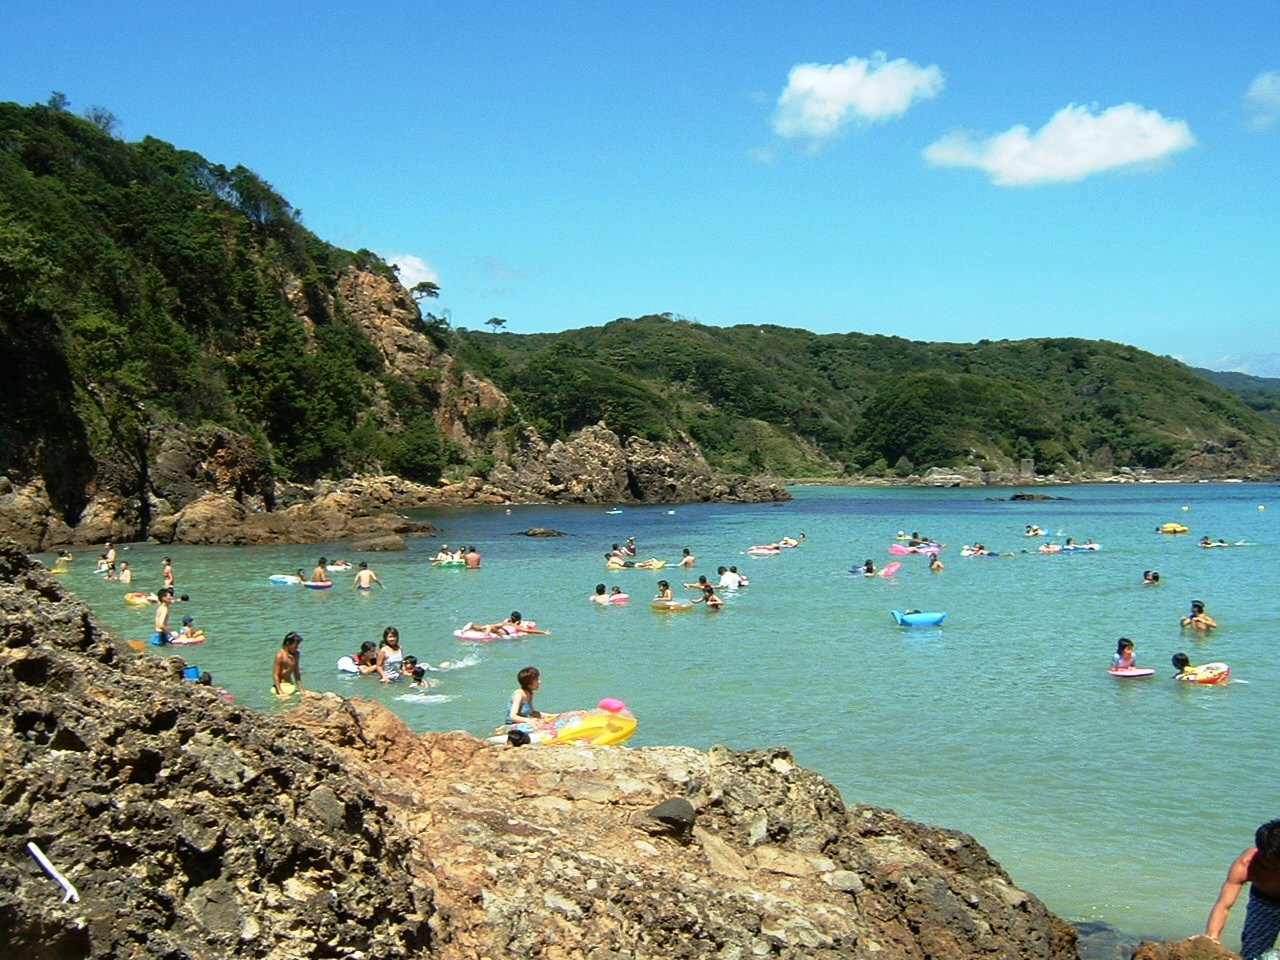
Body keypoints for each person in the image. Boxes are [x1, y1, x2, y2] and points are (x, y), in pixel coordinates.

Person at [1200, 819, 1280, 959]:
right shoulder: (1245, 866)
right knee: (1253, 955)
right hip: (1264, 900)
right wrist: (1211, 937)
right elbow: (1223, 905)